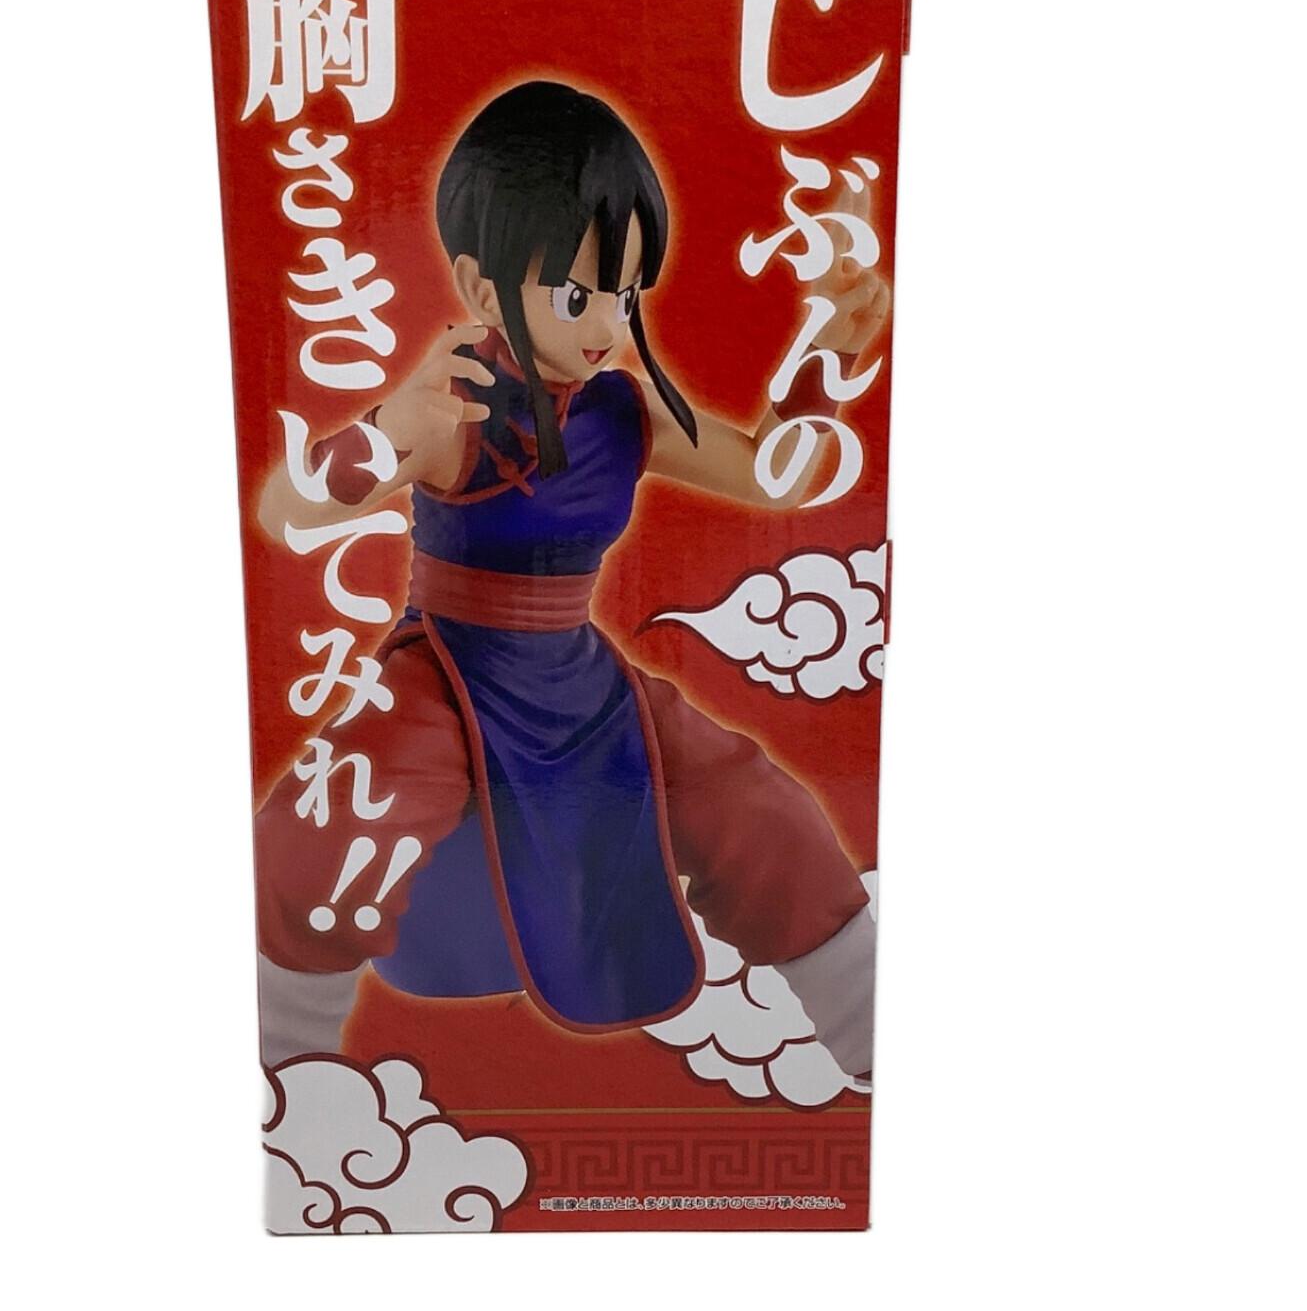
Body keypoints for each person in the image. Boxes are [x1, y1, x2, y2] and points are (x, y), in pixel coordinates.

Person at [253, 81, 888, 1079]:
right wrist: (386, 425)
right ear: (479, 287)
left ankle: (874, 1048)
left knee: (756, 807)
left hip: (583, 679)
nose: (606, 325)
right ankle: (284, 1077)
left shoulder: (623, 408)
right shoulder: (454, 406)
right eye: (576, 295)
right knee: (325, 824)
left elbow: (779, 474)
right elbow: (284, 512)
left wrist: (830, 351)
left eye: (625, 294)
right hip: (447, 673)